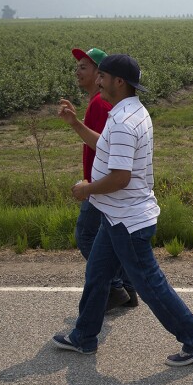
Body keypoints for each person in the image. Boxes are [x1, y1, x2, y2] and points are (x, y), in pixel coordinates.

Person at [52, 54, 193, 366]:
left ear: (119, 82)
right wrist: (75, 124)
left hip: (127, 221)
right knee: (97, 275)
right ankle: (84, 336)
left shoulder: (125, 121)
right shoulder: (128, 112)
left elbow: (120, 177)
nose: (97, 81)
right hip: (115, 217)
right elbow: (104, 146)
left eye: (103, 76)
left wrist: (86, 189)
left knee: (151, 285)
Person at [58, 46, 137, 312]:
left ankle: (114, 287)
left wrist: (91, 187)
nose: (77, 71)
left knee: (86, 235)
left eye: (84, 67)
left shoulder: (100, 105)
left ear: (101, 74)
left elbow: (108, 148)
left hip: (101, 185)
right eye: (78, 66)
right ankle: (127, 286)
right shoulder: (99, 104)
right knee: (113, 238)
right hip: (101, 183)